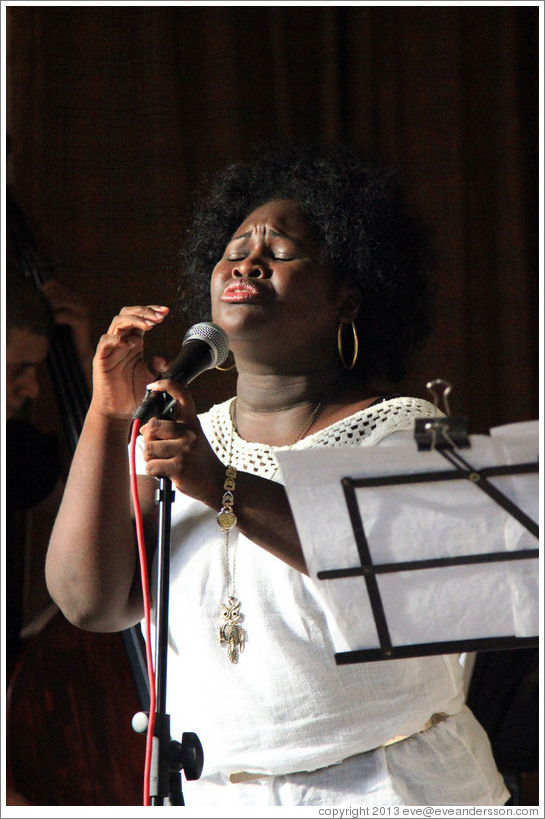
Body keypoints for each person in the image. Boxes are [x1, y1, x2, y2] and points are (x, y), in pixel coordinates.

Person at [45, 143, 509, 807]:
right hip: (221, 796)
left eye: (281, 249)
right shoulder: (181, 436)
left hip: (390, 789)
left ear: (347, 300)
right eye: (234, 247)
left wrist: (219, 483)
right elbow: (89, 600)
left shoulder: (412, 427)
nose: (247, 260)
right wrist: (108, 411)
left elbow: (411, 585)